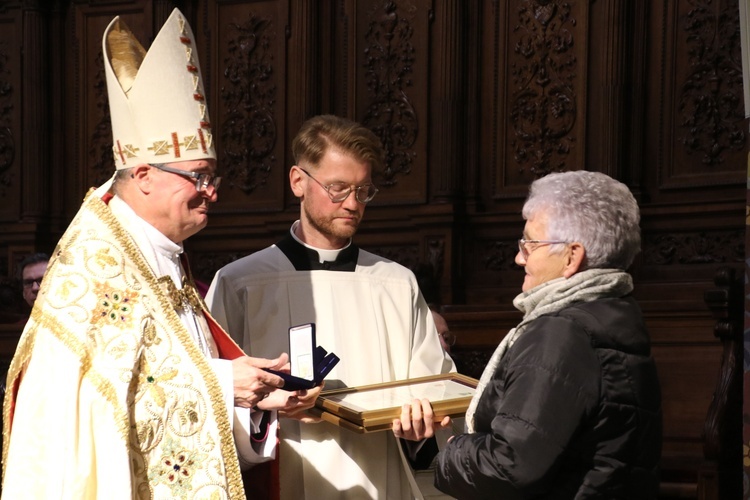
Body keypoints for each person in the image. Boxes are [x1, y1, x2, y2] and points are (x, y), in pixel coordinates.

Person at [1, 9, 317, 498]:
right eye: (198, 178)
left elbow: (166, 379)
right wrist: (219, 381)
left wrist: (255, 396)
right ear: (144, 175)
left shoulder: (161, 254)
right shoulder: (94, 264)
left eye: (213, 178)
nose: (212, 192)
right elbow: (85, 414)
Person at [206, 114, 456, 499]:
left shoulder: (395, 282)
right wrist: (264, 407)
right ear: (298, 181)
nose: (353, 204)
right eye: (338, 189)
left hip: (376, 478)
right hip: (279, 476)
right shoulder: (240, 282)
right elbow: (213, 395)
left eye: (363, 191)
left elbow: (432, 387)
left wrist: (422, 422)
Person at [433, 171, 662, 499]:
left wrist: (452, 451)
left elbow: (509, 467)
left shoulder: (562, 331)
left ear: (572, 257)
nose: (518, 256)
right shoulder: (611, 314)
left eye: (530, 243)